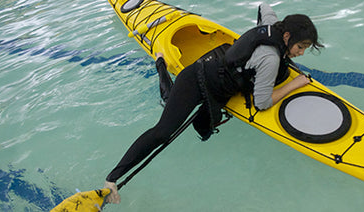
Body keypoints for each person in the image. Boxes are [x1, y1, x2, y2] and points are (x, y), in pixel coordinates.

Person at [104, 3, 324, 204]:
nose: (302, 53)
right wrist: (294, 85)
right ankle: (112, 178)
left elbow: (264, 6)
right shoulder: (271, 58)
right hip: (195, 80)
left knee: (204, 129)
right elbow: (262, 103)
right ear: (286, 36)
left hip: (217, 83)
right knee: (164, 131)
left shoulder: (271, 24)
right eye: (300, 47)